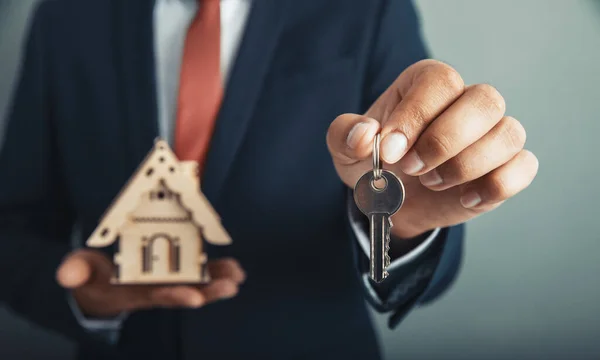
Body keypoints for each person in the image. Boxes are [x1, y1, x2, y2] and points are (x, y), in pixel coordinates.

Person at [0, 0, 538, 359]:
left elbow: (417, 245)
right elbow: (13, 228)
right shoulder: (66, 17)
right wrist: (85, 298)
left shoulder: (368, 9)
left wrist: (401, 224)